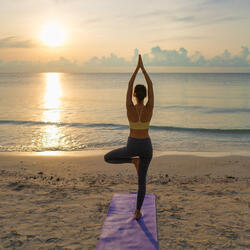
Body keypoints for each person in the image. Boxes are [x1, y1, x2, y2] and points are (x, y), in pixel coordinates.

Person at [104, 54, 154, 220]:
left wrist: (136, 69)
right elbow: (151, 84)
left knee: (108, 158)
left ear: (134, 95)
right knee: (142, 182)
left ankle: (133, 160)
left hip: (132, 146)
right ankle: (138, 211)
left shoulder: (129, 107)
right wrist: (143, 69)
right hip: (146, 147)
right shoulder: (150, 107)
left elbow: (129, 84)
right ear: (145, 96)